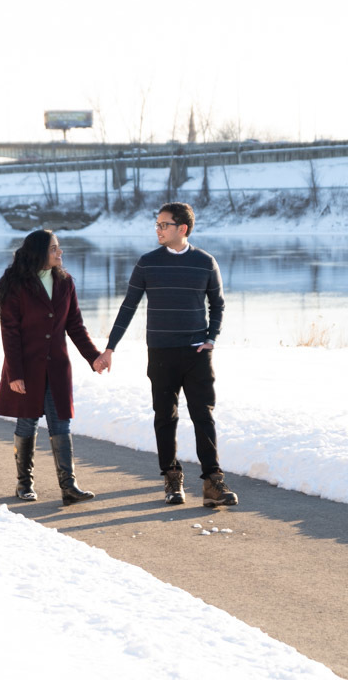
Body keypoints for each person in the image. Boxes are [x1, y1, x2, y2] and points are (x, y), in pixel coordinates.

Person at [93, 202, 238, 508]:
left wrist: (212, 338)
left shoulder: (205, 262)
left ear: (182, 229)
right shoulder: (147, 263)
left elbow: (218, 304)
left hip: (197, 353)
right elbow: (128, 307)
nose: (158, 230)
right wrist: (110, 348)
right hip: (160, 352)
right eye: (157, 225)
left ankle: (213, 481)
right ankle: (172, 478)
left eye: (164, 225)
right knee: (165, 416)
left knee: (203, 415)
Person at [0, 229, 103, 505]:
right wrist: (14, 374)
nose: (60, 253)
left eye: (59, 248)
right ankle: (24, 484)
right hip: (26, 368)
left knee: (60, 422)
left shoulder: (65, 282)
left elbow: (75, 325)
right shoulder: (15, 284)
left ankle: (69, 485)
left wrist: (94, 357)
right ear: (40, 252)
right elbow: (10, 332)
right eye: (54, 249)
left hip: (57, 367)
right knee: (27, 421)